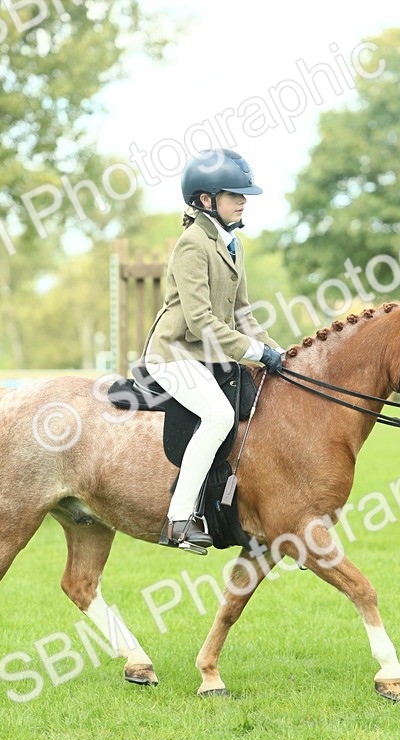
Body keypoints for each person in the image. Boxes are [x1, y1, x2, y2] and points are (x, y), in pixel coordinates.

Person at [137, 148, 285, 555]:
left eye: (245, 195)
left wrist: (279, 353)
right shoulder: (192, 245)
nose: (243, 201)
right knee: (218, 415)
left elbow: (243, 315)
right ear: (206, 201)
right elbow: (201, 321)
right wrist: (254, 352)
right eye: (235, 194)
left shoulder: (232, 245)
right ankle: (179, 519)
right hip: (175, 354)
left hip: (208, 356)